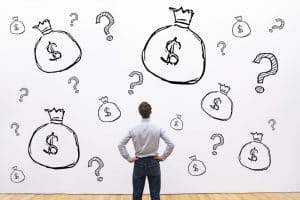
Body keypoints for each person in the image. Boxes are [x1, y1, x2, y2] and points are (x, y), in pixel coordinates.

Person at [118, 101, 175, 200]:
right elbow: (171, 144)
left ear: (139, 112)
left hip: (139, 162)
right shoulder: (158, 128)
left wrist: (128, 158)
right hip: (154, 162)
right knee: (155, 194)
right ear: (151, 112)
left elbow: (120, 144)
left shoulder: (133, 129)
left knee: (137, 194)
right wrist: (163, 157)